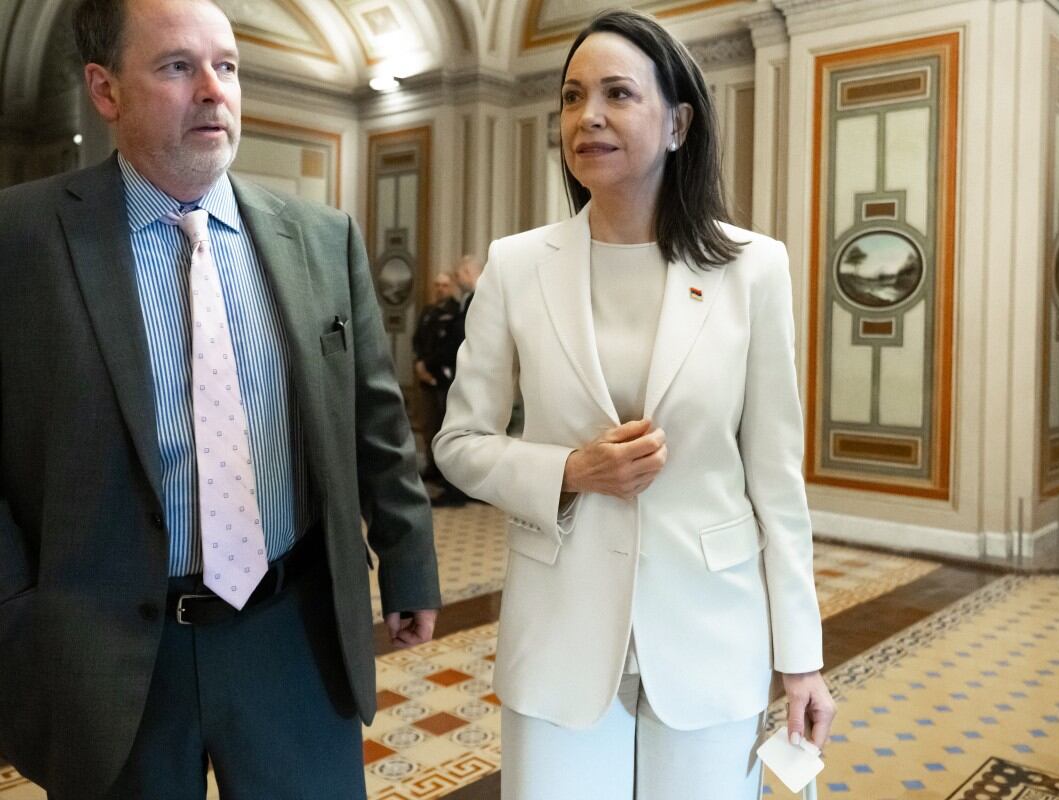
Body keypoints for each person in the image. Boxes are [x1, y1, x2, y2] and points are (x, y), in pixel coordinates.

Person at [0, 0, 440, 797]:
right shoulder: (20, 241)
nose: (213, 89)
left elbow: (375, 423)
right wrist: (17, 612)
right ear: (105, 91)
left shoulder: (321, 237)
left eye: (226, 66)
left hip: (292, 634)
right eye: (177, 66)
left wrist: (409, 566)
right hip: (111, 651)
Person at [433, 9, 834, 798]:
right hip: (560, 633)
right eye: (573, 97)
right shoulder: (517, 267)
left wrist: (802, 658)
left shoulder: (753, 270)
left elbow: (776, 480)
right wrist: (570, 470)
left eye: (618, 94)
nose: (589, 117)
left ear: (679, 122)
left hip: (711, 633)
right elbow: (460, 443)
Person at [413, 271, 467, 506]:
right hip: (425, 376)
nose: (440, 289)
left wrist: (429, 365)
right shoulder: (428, 312)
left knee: (445, 426)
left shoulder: (456, 312)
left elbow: (451, 345)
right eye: (437, 284)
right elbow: (418, 339)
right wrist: (419, 363)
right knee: (429, 425)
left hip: (444, 377)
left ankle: (449, 480)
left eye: (444, 285)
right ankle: (434, 469)